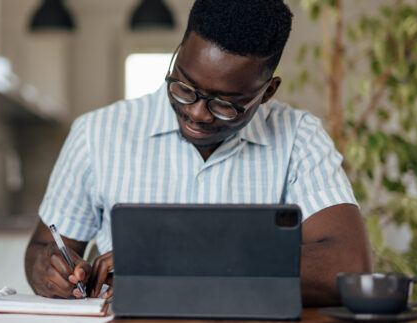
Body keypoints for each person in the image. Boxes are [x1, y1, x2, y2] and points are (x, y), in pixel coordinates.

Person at [24, 0, 372, 306]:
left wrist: (170, 261)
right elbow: (43, 249)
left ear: (267, 92)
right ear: (178, 53)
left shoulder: (299, 138)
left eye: (224, 105)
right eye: (184, 87)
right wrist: (49, 270)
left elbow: (347, 267)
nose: (197, 114)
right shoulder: (95, 133)